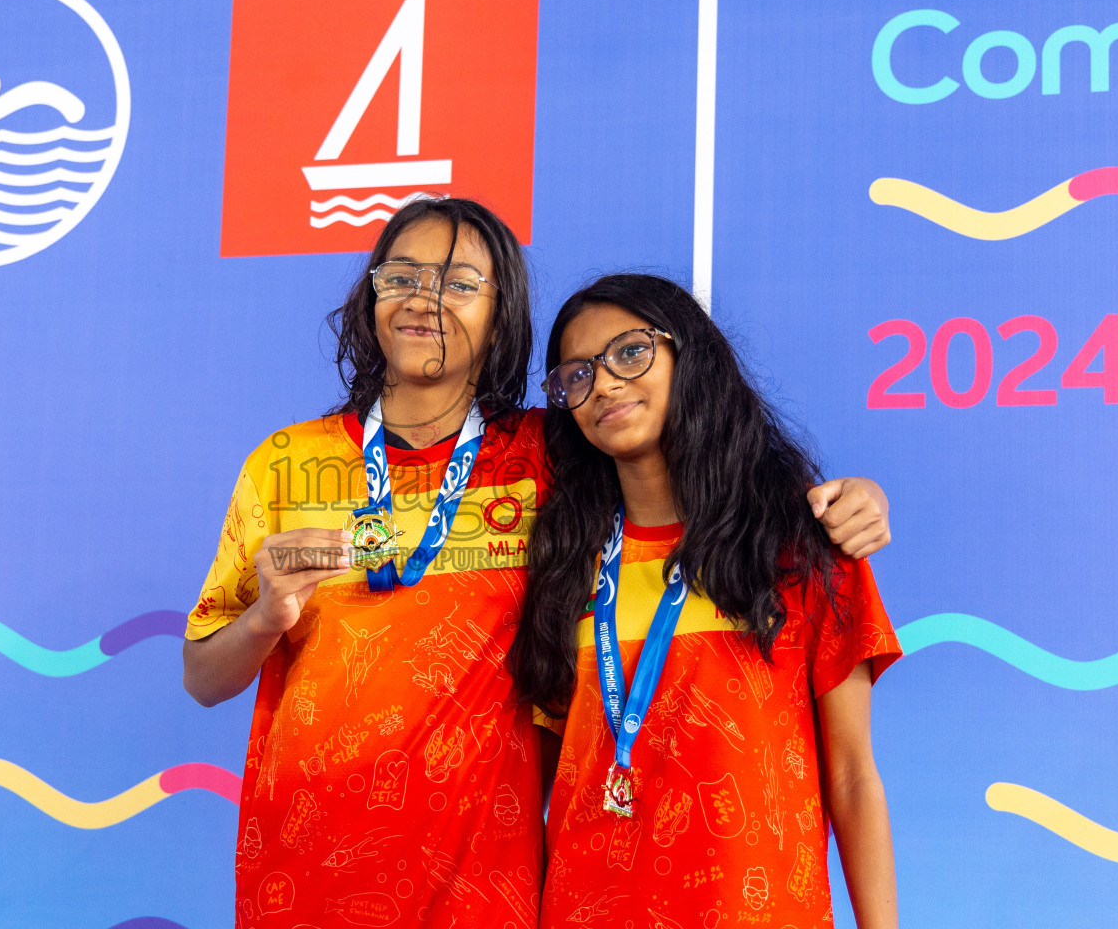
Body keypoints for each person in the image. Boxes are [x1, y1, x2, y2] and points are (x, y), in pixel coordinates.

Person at [182, 199, 891, 927]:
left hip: (489, 891)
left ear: (503, 317)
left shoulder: (551, 451)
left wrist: (843, 499)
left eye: (460, 283)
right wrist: (266, 617)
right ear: (370, 296)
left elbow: (682, 464)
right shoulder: (283, 464)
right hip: (307, 878)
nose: (426, 299)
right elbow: (204, 679)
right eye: (402, 275)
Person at [511, 274, 900, 928]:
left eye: (629, 353)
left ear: (688, 354)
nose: (603, 384)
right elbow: (540, 786)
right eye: (575, 376)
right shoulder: (561, 565)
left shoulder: (798, 542)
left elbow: (854, 777)